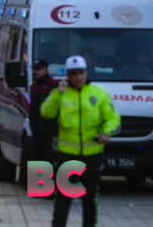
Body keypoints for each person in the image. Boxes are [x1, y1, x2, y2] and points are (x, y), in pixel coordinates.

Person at [41, 56, 120, 227]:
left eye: (81, 73)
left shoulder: (98, 94)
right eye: (74, 74)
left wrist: (107, 132)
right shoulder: (60, 94)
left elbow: (113, 118)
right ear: (67, 75)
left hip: (92, 156)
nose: (78, 78)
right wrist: (57, 94)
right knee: (63, 202)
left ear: (86, 73)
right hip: (68, 158)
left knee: (90, 201)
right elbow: (46, 112)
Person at [28, 60, 58, 167]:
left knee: (49, 158)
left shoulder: (53, 85)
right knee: (36, 158)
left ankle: (50, 181)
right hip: (37, 131)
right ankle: (37, 182)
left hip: (50, 132)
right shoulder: (33, 87)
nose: (35, 72)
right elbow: (32, 109)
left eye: (38, 69)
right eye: (34, 69)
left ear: (45, 70)